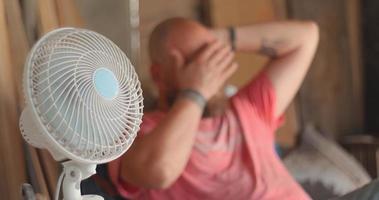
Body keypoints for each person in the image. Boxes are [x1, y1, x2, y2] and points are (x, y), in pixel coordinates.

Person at [108, 17, 319, 199]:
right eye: (195, 61)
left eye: (212, 54)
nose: (209, 68)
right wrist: (195, 93)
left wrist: (222, 38)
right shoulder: (139, 132)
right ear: (158, 74)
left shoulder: (250, 107)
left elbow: (306, 37)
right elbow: (159, 171)